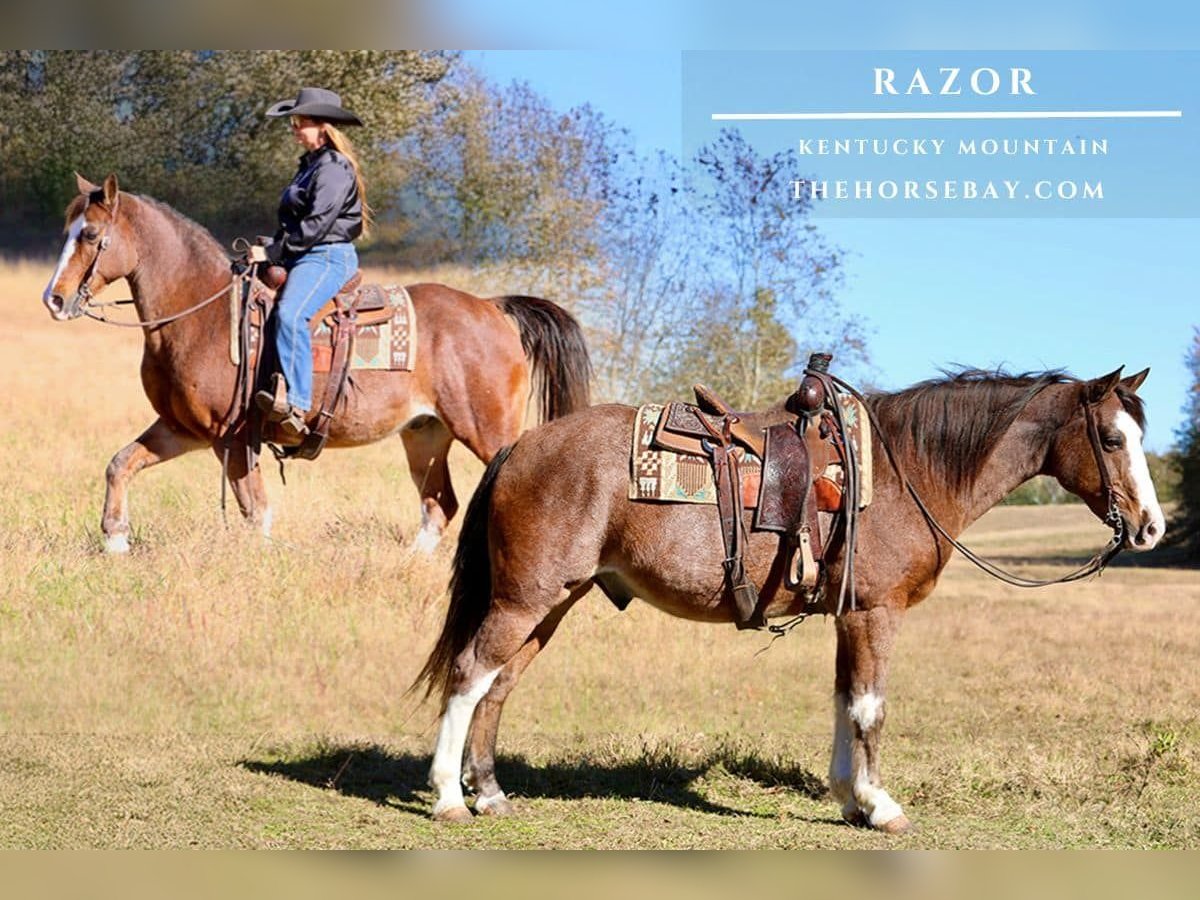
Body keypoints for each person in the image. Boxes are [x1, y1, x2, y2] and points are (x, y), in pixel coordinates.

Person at [250, 86, 371, 439]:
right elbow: (294, 221)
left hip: (327, 255)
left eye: (300, 123)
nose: (295, 129)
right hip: (305, 252)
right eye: (294, 123)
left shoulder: (333, 168)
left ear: (323, 126)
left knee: (291, 314)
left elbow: (316, 225)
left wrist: (273, 254)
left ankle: (297, 403)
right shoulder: (310, 165)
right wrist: (271, 246)